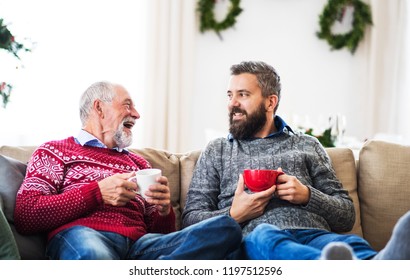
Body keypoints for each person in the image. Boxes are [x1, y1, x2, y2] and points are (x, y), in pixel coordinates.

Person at [182, 60, 410, 260]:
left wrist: (308, 196)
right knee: (266, 237)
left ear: (270, 102)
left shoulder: (307, 145)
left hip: (315, 234)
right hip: (255, 238)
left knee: (349, 245)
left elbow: (346, 216)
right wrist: (234, 214)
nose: (233, 103)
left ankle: (376, 264)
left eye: (243, 95)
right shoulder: (218, 150)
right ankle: (330, 267)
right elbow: (190, 220)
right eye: (230, 95)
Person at [14, 81, 242, 260]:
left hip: (141, 247)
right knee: (95, 256)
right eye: (127, 105)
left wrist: (163, 210)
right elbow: (27, 214)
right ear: (99, 108)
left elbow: (162, 235)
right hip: (84, 235)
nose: (136, 114)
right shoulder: (54, 151)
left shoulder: (140, 164)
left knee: (226, 228)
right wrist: (97, 193)